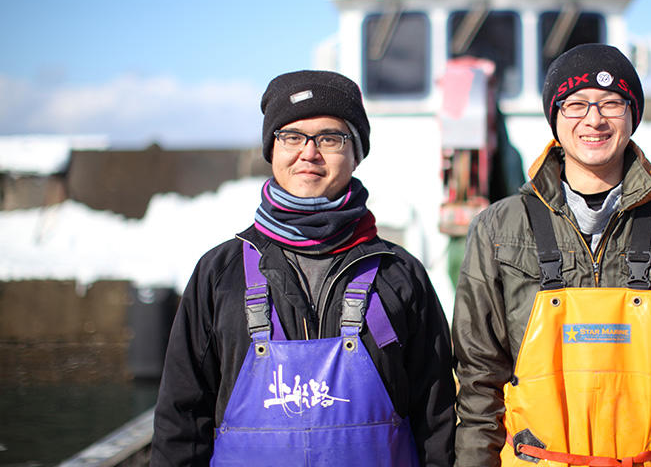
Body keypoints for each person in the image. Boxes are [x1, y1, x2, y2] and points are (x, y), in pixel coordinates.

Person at [452, 44, 651, 467]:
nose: (594, 119)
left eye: (611, 103)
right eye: (576, 105)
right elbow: (479, 376)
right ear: (555, 117)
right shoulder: (498, 228)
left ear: (633, 115)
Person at [151, 70, 455, 466]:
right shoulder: (219, 275)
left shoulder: (400, 274)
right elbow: (181, 421)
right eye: (291, 137)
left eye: (330, 138)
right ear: (272, 150)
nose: (308, 152)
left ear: (356, 152)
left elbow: (437, 424)